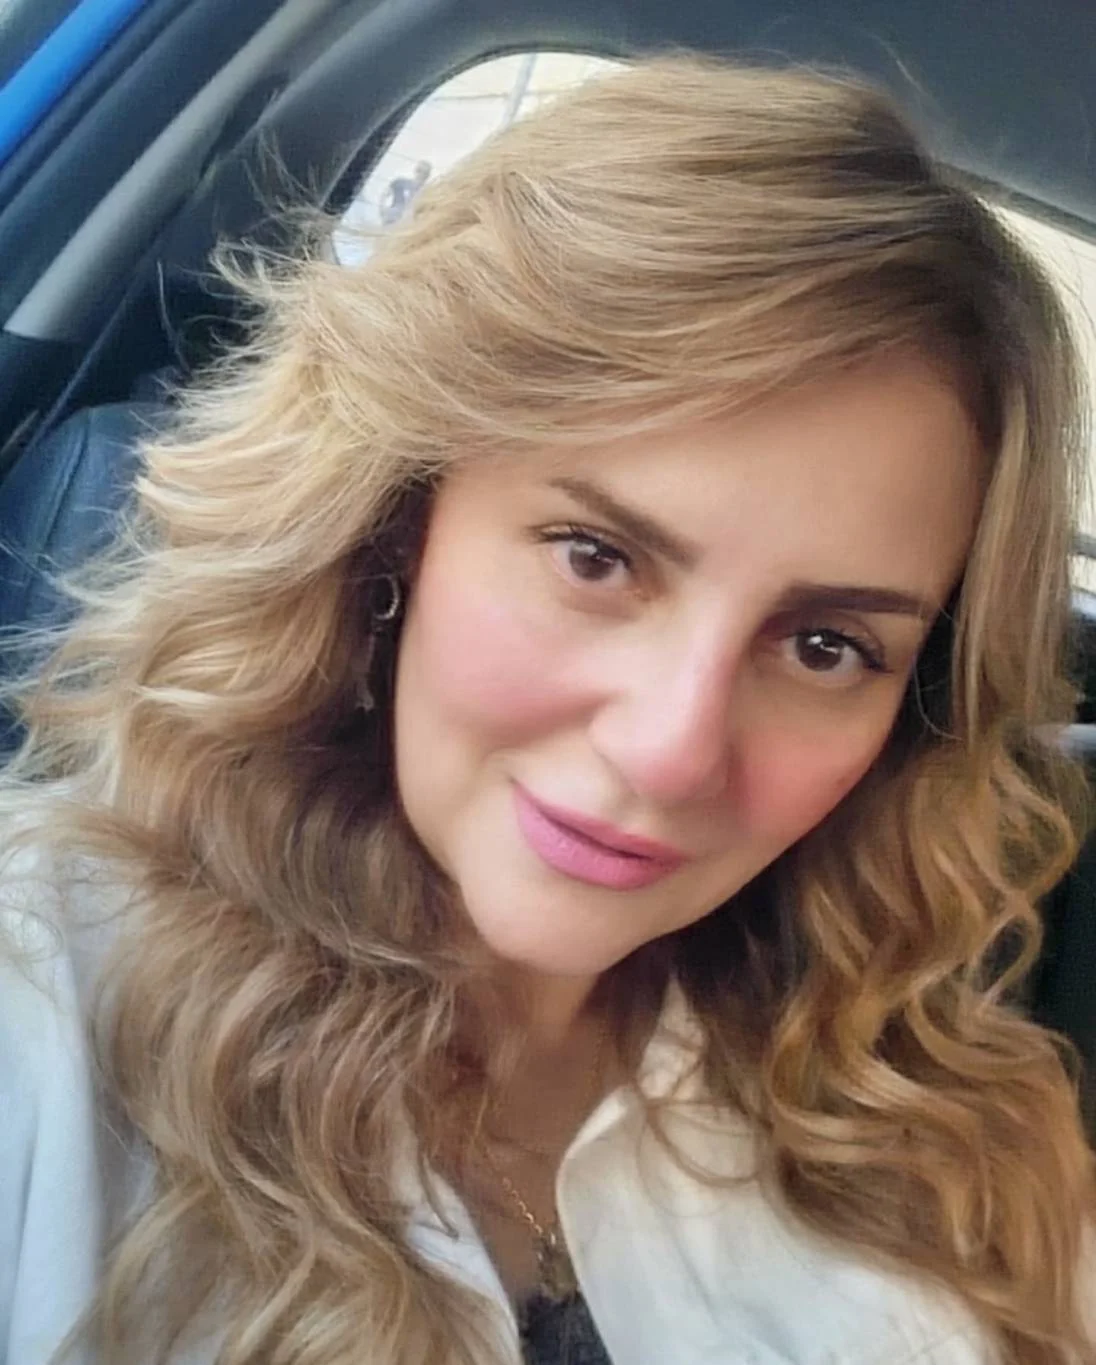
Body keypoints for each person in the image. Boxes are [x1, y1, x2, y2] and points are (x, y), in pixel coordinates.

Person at [0, 53, 1093, 1365]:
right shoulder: (39, 1001)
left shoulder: (964, 1141)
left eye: (825, 646)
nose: (670, 750)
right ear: (394, 524)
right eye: (596, 558)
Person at [378, 158, 432, 226]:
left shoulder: (427, 192)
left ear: (428, 176)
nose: (421, 174)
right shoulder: (400, 182)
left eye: (425, 173)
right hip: (391, 218)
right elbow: (384, 194)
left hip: (407, 224)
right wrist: (382, 210)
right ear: (415, 170)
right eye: (419, 170)